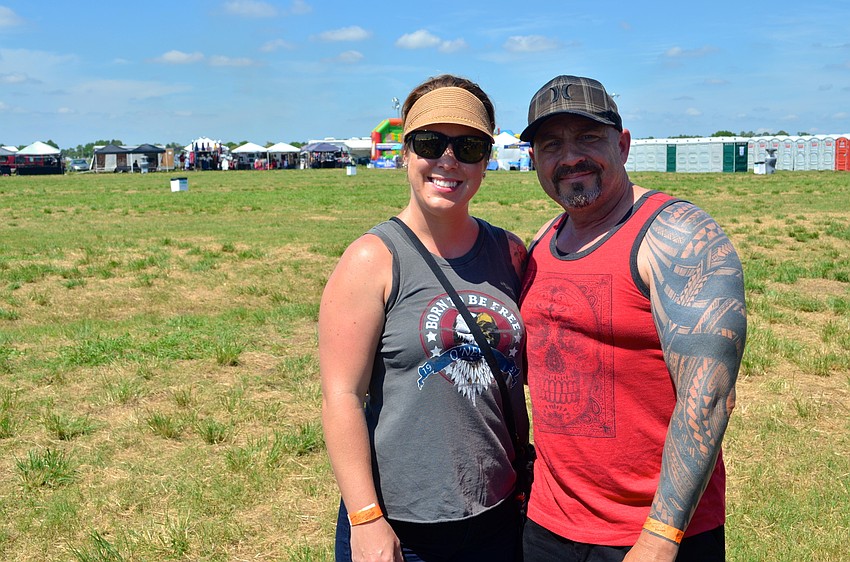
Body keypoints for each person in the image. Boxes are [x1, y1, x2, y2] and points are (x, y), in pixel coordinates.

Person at [518, 75, 747, 562]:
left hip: (649, 535)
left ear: (622, 145)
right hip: (548, 524)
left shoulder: (677, 236)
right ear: (534, 159)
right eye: (551, 144)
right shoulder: (545, 240)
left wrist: (661, 537)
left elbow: (708, 397)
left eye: (588, 138)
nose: (570, 157)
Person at [320, 74, 530, 562]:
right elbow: (342, 397)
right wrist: (367, 521)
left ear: (487, 162)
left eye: (470, 146)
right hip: (400, 527)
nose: (449, 160)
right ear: (406, 155)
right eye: (431, 142)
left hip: (499, 513)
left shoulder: (510, 252)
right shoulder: (372, 259)